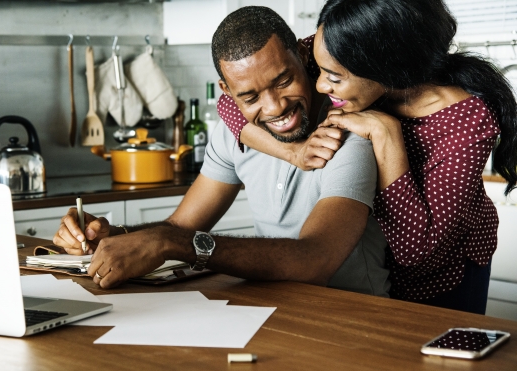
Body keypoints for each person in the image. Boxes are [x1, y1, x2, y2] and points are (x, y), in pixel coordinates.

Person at [53, 6, 390, 296]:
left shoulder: (347, 133)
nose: (275, 108)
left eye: (283, 81)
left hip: (356, 315)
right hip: (281, 309)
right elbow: (180, 227)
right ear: (227, 92)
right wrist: (115, 237)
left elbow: (315, 260)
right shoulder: (232, 136)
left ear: (303, 56)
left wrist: (173, 243)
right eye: (250, 97)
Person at [216, 0, 517, 314]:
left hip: (442, 276)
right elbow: (230, 104)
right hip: (377, 267)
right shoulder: (336, 47)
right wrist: (294, 153)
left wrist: (386, 134)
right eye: (319, 70)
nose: (319, 83)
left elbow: (417, 250)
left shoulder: (466, 121)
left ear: (385, 67)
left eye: (334, 77)